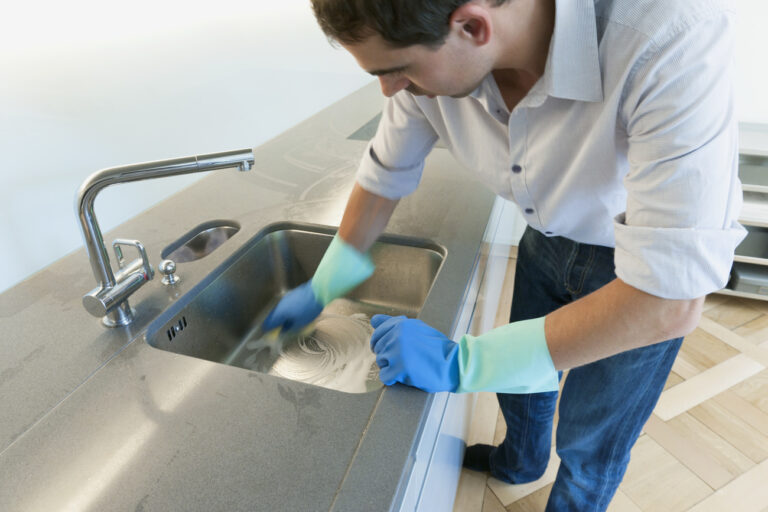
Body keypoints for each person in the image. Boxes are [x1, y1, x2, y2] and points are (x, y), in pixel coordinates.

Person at [263, 0, 746, 509]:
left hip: (634, 274)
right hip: (544, 238)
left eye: (396, 70)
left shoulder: (671, 34)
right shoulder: (431, 52)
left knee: (591, 438)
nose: (388, 89)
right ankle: (520, 462)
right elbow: (385, 174)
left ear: (472, 26)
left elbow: (667, 299)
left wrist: (462, 364)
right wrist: (324, 284)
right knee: (521, 393)